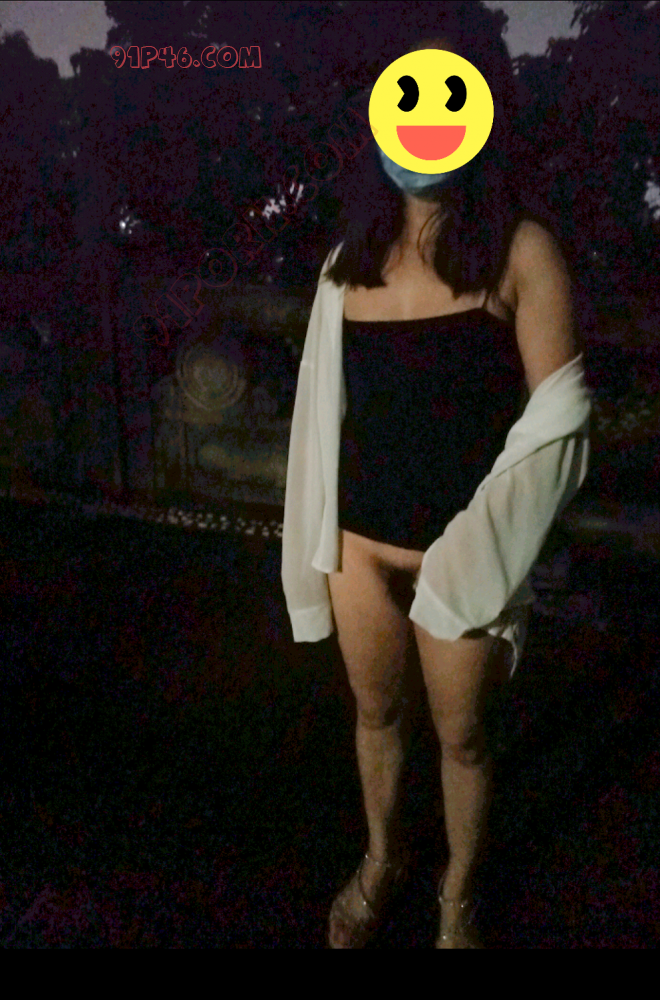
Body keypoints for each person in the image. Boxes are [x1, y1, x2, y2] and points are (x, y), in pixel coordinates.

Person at [280, 9, 591, 950]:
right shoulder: (347, 261)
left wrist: (480, 550)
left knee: (462, 737)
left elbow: (562, 421)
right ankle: (384, 857)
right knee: (377, 715)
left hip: (467, 553)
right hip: (359, 543)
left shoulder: (521, 250)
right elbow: (326, 410)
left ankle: (458, 892)